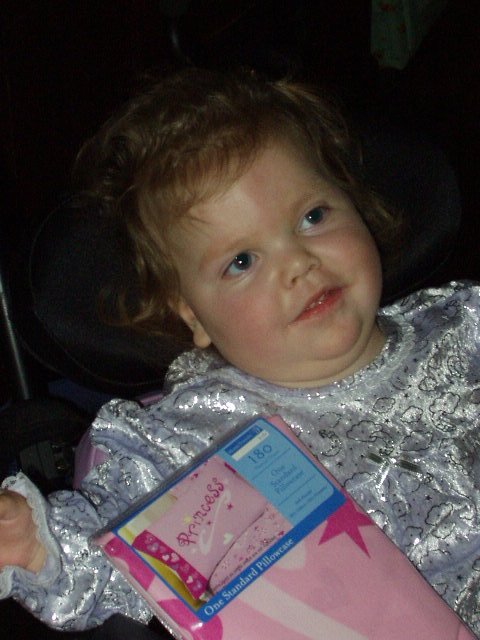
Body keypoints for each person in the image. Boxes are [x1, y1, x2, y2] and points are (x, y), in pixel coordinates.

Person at [0, 67, 479, 636]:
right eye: (242, 262)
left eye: (313, 216)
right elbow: (113, 559)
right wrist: (35, 543)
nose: (297, 262)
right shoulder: (194, 437)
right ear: (193, 316)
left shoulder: (465, 325)